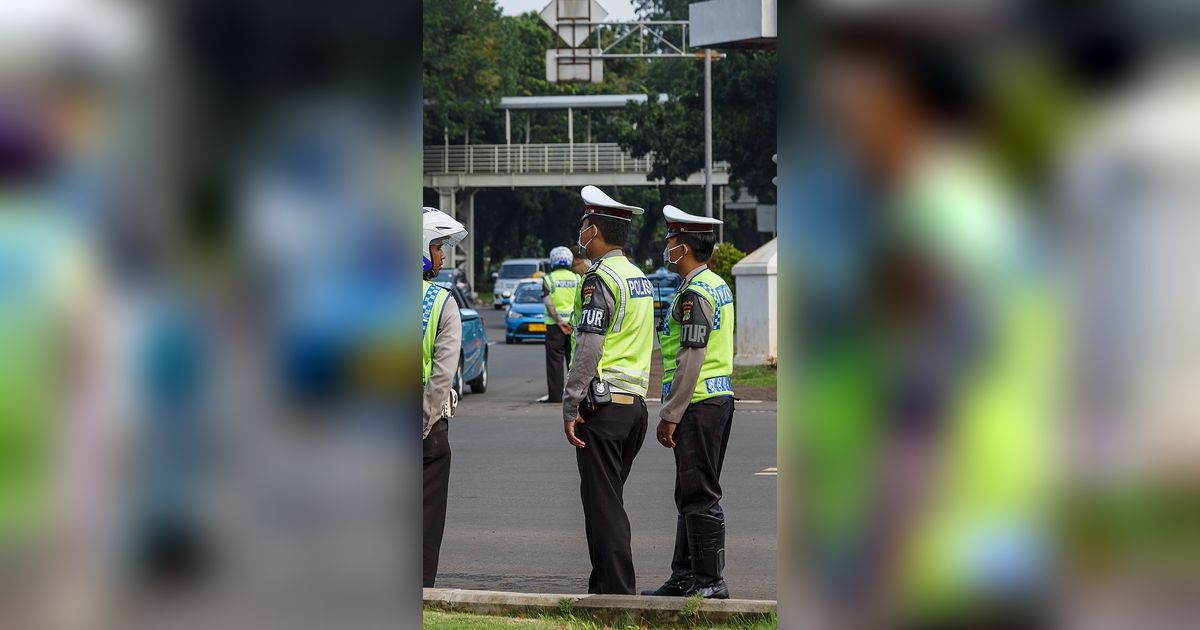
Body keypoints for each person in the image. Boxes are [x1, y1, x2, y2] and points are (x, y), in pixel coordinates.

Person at [562, 185, 655, 594]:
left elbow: (589, 344)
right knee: (606, 503)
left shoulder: (599, 279)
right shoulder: (640, 279)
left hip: (603, 408)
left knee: (604, 509)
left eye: (584, 223)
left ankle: (618, 598)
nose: (580, 230)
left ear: (594, 228)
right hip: (634, 406)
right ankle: (602, 589)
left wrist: (569, 403)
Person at [642, 205, 736, 600]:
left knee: (699, 492)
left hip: (698, 402)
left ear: (684, 247)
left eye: (671, 242)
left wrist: (670, 414)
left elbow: (691, 356)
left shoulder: (696, 293)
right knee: (690, 490)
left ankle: (710, 581)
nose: (668, 248)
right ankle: (685, 576)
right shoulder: (715, 284)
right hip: (714, 399)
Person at [421, 207, 467, 588]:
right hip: (426, 424)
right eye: (438, 247)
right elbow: (441, 374)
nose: (443, 255)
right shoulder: (440, 302)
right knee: (425, 515)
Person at [541, 246, 580, 403]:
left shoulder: (548, 279)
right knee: (575, 363)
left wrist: (559, 322)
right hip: (574, 327)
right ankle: (576, 396)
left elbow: (549, 304)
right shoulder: (577, 278)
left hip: (555, 327)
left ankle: (555, 396)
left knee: (554, 363)